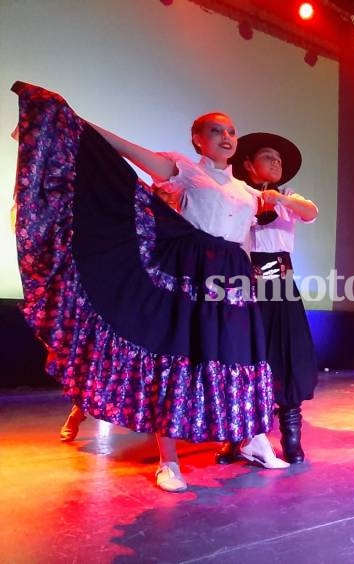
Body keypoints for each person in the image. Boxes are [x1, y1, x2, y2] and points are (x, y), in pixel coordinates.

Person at [12, 82, 287, 494]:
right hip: (190, 270)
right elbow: (124, 151)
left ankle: (254, 439)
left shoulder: (248, 191)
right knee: (178, 358)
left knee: (241, 354)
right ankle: (169, 461)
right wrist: (75, 123)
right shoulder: (185, 169)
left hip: (233, 276)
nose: (226, 137)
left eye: (231, 131)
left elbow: (281, 216)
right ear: (197, 139)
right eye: (216, 131)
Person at [215, 132, 319, 465]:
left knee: (286, 356)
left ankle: (290, 437)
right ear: (247, 164)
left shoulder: (289, 196)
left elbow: (310, 210)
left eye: (279, 158)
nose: (276, 161)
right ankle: (237, 434)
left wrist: (281, 201)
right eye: (267, 156)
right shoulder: (237, 195)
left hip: (281, 287)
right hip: (243, 282)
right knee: (240, 358)